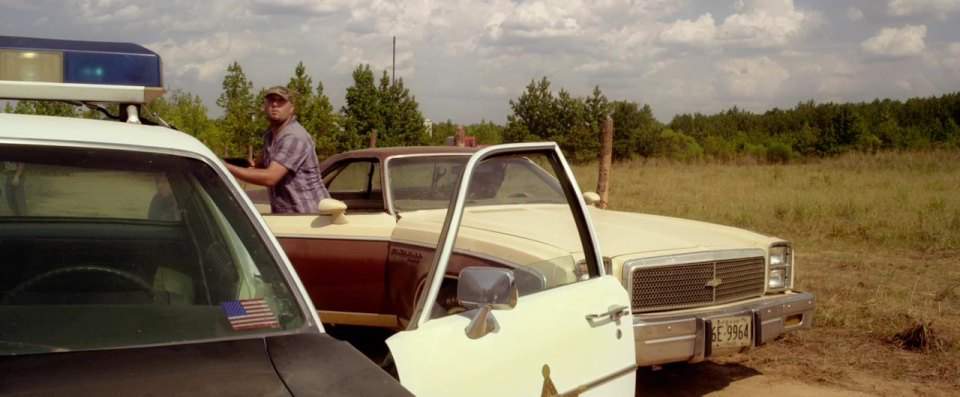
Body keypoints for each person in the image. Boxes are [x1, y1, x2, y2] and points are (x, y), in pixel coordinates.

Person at [225, 86, 329, 213]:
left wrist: (225, 167)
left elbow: (270, 177)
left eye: (281, 101)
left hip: (308, 216)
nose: (275, 104)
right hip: (287, 215)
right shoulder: (270, 135)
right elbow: (257, 164)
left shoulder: (294, 137)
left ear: (291, 108)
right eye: (271, 100)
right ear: (264, 106)